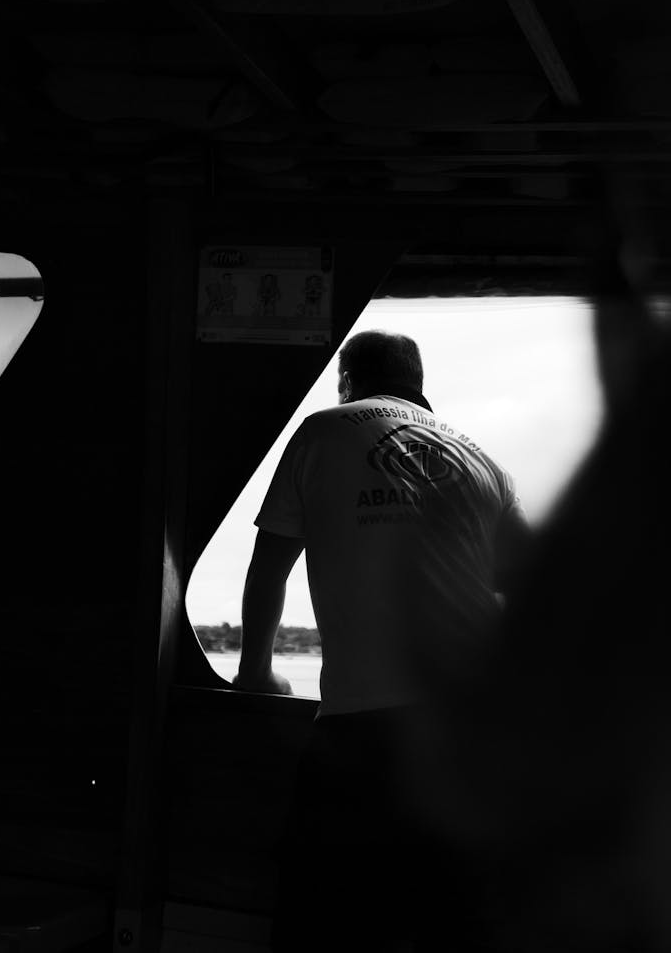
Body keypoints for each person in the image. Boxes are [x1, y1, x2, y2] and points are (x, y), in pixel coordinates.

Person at [233, 330, 529, 952]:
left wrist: (257, 672)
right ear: (419, 386)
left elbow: (268, 569)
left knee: (321, 920)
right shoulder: (482, 460)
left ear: (347, 381)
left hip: (364, 728)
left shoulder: (322, 431)